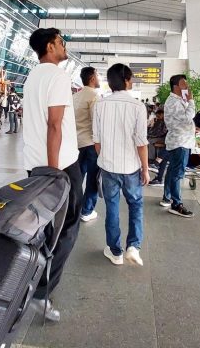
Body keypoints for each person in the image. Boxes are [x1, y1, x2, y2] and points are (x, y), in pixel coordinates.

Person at [23, 27, 82, 322]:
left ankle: (27, 281)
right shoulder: (57, 76)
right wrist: (55, 171)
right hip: (60, 165)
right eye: (60, 42)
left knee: (44, 228)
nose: (64, 46)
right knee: (67, 228)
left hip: (34, 164)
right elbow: (54, 124)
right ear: (49, 46)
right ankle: (41, 293)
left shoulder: (32, 77)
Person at [93, 64, 149, 266]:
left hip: (108, 167)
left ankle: (115, 252)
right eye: (130, 78)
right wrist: (145, 169)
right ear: (126, 80)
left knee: (112, 207)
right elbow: (141, 143)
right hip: (131, 167)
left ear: (110, 82)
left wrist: (105, 158)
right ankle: (133, 246)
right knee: (136, 204)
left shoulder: (100, 105)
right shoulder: (138, 106)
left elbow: (97, 141)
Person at [160, 74, 195, 218]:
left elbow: (183, 120)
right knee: (177, 174)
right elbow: (187, 118)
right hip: (180, 142)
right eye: (184, 84)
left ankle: (167, 197)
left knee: (173, 171)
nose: (187, 86)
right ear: (176, 86)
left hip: (180, 141)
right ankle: (176, 204)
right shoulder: (174, 102)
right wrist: (191, 101)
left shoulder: (178, 100)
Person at [72, 67, 101, 223]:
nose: (99, 78)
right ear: (92, 78)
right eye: (98, 75)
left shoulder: (75, 96)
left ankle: (74, 209)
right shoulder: (94, 96)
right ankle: (87, 210)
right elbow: (97, 123)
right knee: (93, 179)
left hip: (77, 143)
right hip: (91, 144)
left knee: (77, 178)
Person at [147, 108, 168, 187]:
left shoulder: (166, 121)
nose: (158, 117)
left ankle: (153, 161)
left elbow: (162, 132)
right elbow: (154, 130)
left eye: (159, 115)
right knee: (149, 140)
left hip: (165, 140)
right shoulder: (158, 121)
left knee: (150, 141)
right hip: (167, 140)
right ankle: (155, 163)